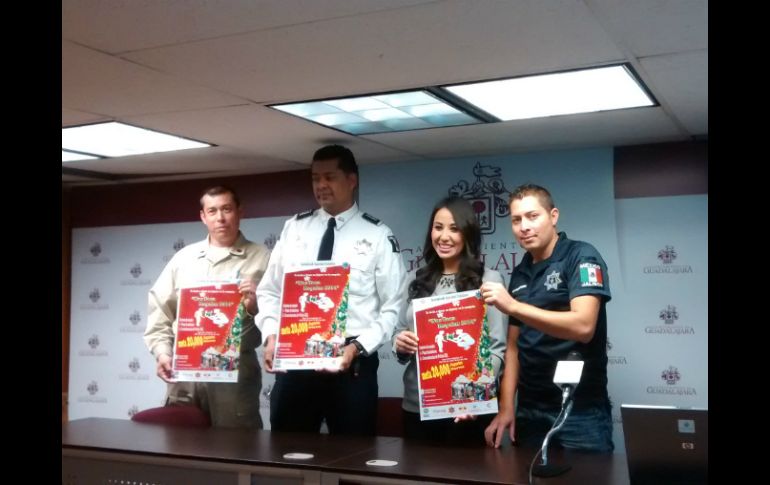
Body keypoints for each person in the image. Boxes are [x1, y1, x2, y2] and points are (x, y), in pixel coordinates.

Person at [255, 144, 407, 436]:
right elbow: (270, 291)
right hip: (296, 361)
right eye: (315, 178)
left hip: (352, 365)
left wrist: (356, 348)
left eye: (329, 177)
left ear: (352, 180)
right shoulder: (294, 228)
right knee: (287, 450)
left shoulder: (377, 235)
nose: (321, 185)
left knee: (353, 455)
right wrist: (272, 335)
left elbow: (392, 308)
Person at [481, 184, 614, 452]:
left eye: (533, 216)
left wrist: (514, 306)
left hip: (579, 409)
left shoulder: (581, 256)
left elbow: (584, 326)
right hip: (529, 409)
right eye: (516, 220)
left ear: (553, 216)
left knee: (587, 474)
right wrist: (506, 407)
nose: (524, 227)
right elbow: (513, 347)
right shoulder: (521, 271)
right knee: (526, 473)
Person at [144, 185, 270, 428]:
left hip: (234, 376)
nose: (220, 217)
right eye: (212, 211)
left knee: (234, 446)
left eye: (226, 209)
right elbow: (159, 310)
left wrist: (255, 306)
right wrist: (162, 352)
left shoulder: (263, 258)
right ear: (203, 216)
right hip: (184, 375)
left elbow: (280, 319)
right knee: (181, 445)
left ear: (240, 212)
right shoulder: (184, 258)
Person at [393, 196, 507, 445]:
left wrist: (474, 397)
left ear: (468, 234)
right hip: (418, 404)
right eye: (438, 227)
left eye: (454, 229)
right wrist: (400, 344)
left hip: (470, 406)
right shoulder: (414, 278)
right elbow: (399, 334)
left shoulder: (488, 279)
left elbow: (497, 348)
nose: (444, 236)